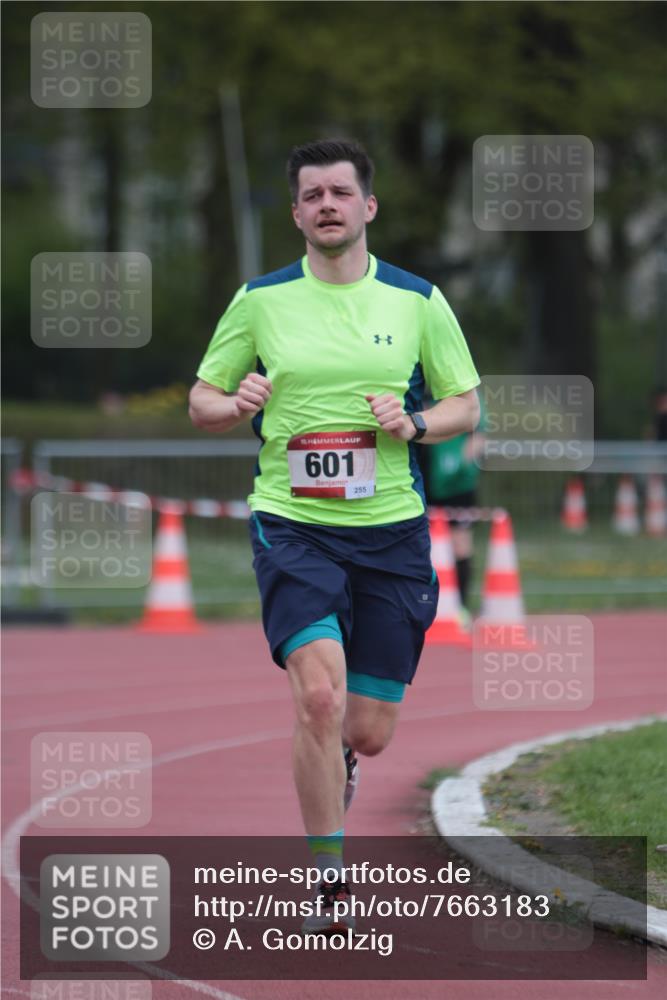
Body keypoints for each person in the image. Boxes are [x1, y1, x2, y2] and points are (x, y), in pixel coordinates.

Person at [189, 138, 479, 932]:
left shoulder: (417, 301)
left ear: (366, 207)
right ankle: (327, 882)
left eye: (339, 193)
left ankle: (345, 758)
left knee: (367, 730)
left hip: (390, 531)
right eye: (311, 194)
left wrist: (416, 422)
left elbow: (466, 404)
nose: (326, 204)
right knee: (317, 697)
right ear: (295, 212)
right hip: (293, 523)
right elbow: (202, 403)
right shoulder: (260, 300)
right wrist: (237, 400)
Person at [419, 394, 486, 619]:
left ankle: (462, 607)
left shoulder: (464, 394)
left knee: (460, 544)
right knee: (423, 548)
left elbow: (479, 435)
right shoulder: (417, 393)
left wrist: (460, 466)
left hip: (458, 488)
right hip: (424, 484)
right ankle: (428, 607)